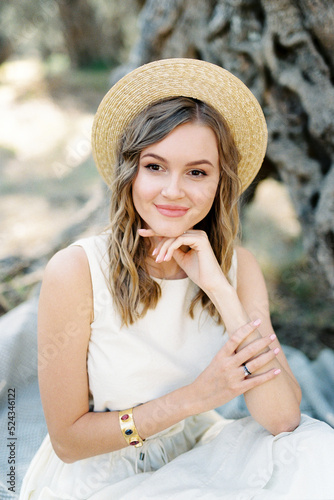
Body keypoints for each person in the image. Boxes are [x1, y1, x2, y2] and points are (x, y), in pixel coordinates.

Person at [20, 58, 334, 499]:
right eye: (155, 167)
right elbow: (69, 442)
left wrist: (221, 290)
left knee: (315, 446)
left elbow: (282, 418)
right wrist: (197, 397)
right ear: (130, 173)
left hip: (195, 453)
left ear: (219, 184)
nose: (173, 190)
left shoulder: (237, 270)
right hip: (102, 473)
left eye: (197, 172)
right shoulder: (76, 271)